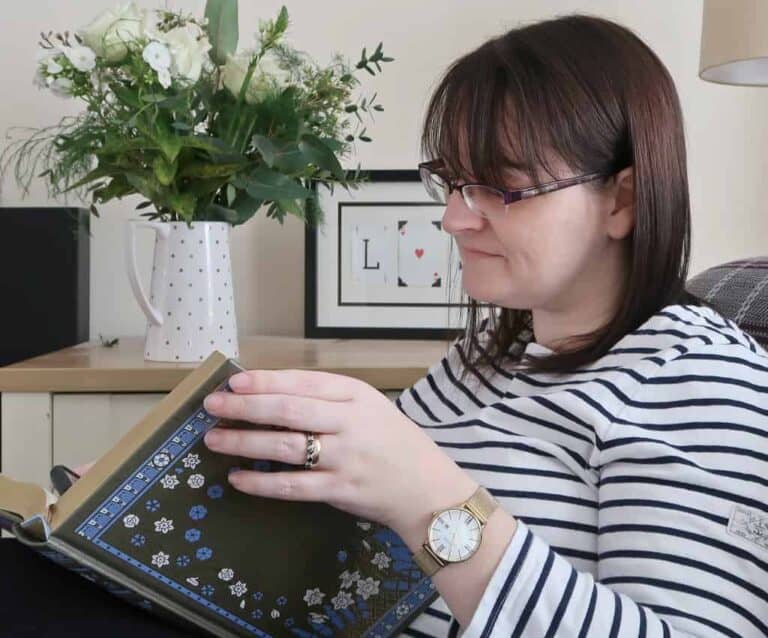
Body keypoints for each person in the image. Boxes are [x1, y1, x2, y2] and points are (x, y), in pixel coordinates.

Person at [74, 12, 768, 638]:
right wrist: (175, 501)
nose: (454, 218)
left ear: (623, 200)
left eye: (503, 187)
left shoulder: (704, 383)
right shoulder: (484, 358)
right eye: (454, 182)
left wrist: (430, 498)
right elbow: (359, 541)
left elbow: (416, 500)